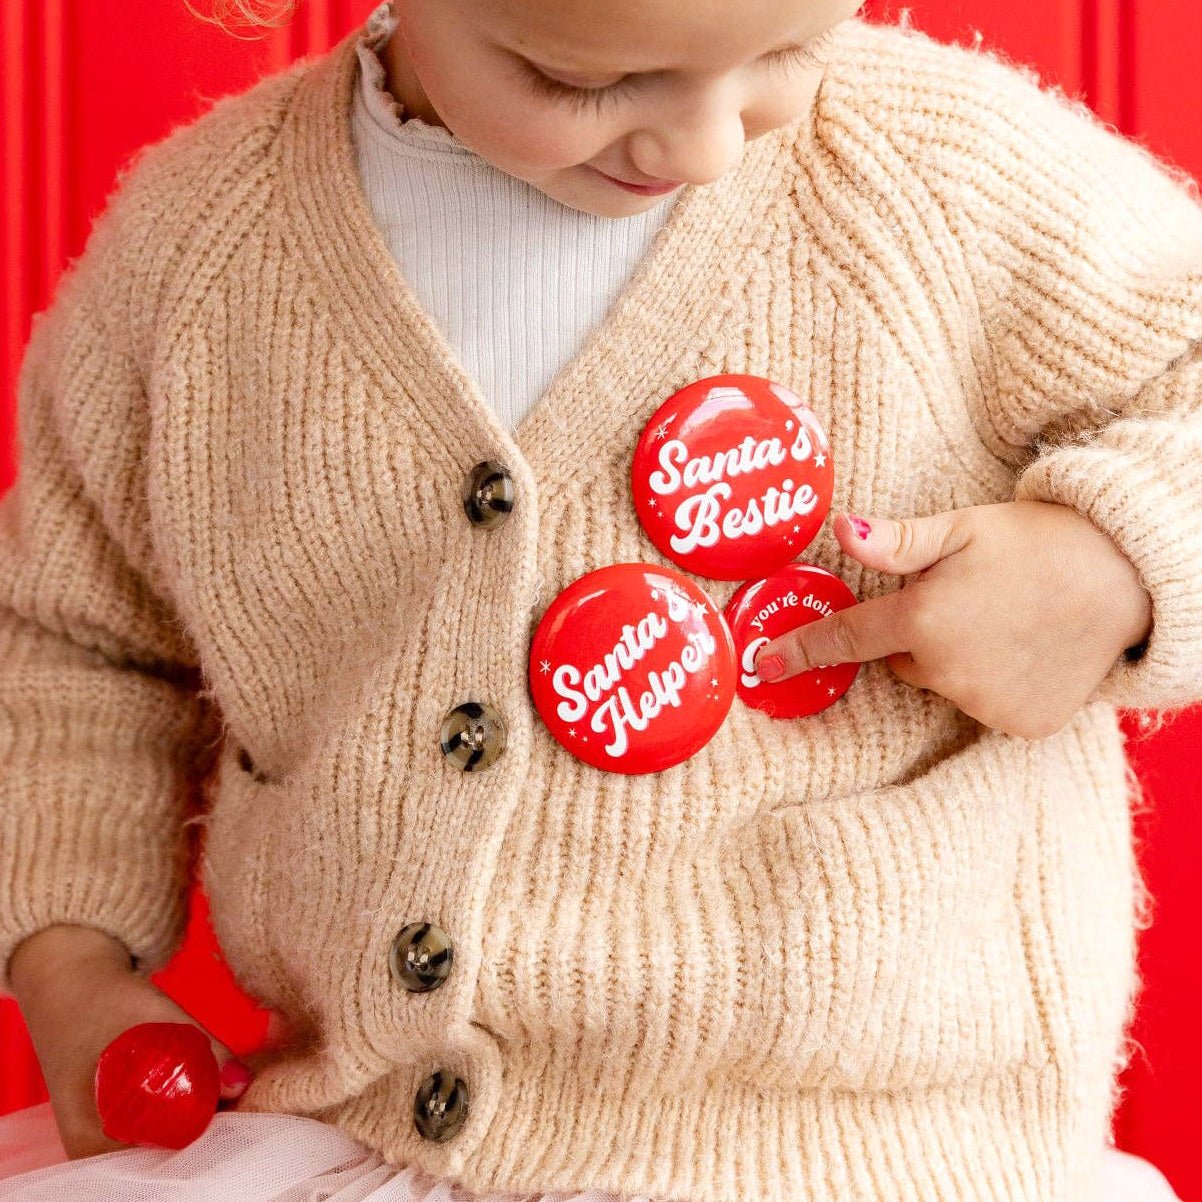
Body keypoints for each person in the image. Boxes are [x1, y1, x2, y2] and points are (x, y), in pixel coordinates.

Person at [0, 0, 1197, 1198]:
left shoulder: (936, 173)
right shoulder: (195, 253)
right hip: (375, 1141)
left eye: (784, 52)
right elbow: (72, 639)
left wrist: (1112, 564)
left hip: (878, 1151)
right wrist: (72, 959)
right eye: (587, 80)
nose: (703, 145)